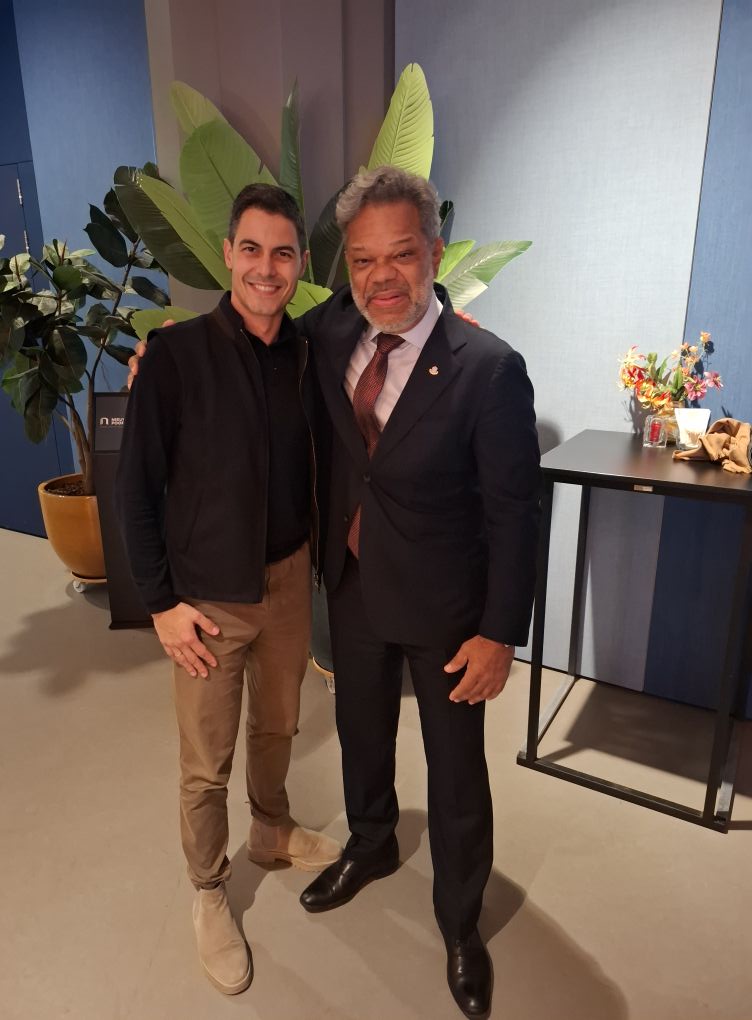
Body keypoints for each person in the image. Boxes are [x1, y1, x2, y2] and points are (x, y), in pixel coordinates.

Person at [296, 167, 541, 1019]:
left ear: (434, 252)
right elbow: (255, 337)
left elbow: (515, 512)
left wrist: (498, 633)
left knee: (456, 771)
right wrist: (167, 348)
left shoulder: (489, 369)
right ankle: (370, 844)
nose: (382, 278)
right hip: (354, 584)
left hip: (446, 609)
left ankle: (461, 922)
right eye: (363, 261)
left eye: (401, 255)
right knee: (361, 735)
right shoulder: (331, 332)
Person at [115, 184, 341, 996]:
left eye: (282, 253)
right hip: (207, 602)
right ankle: (209, 890)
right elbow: (134, 491)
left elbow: (388, 303)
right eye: (251, 250)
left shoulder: (309, 353)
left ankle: (271, 830)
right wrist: (161, 604)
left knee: (278, 726)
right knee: (205, 763)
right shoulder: (173, 358)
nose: (265, 268)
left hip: (288, 582)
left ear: (300, 263)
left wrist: (452, 313)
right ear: (227, 255)